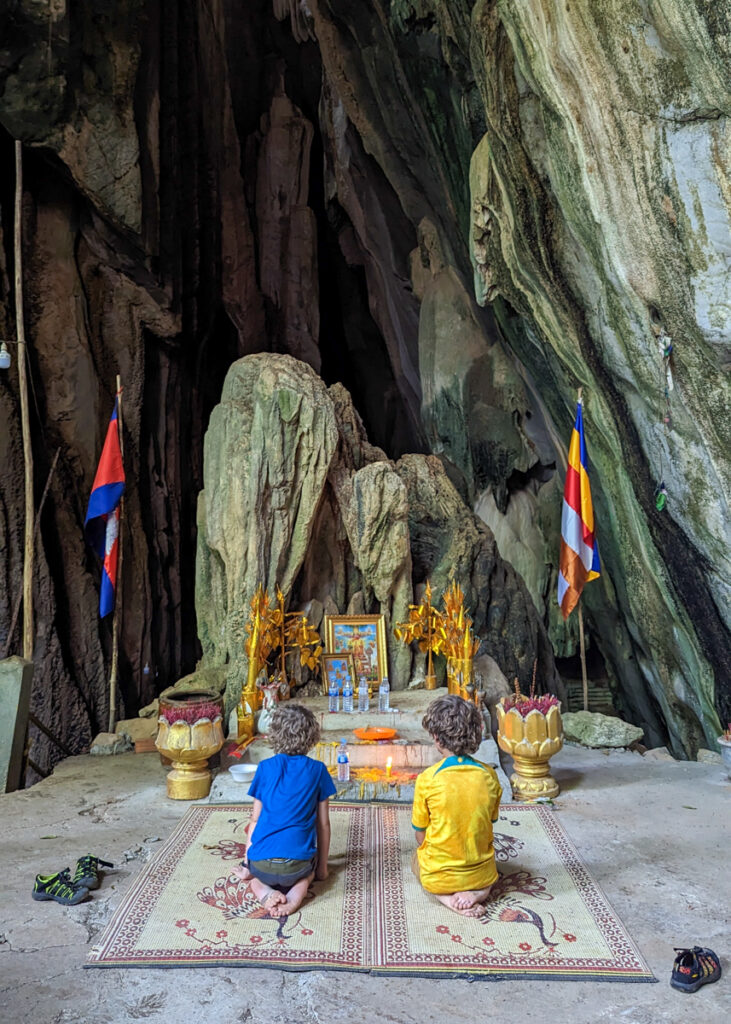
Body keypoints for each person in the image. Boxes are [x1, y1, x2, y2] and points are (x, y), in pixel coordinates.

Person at [232, 703, 335, 917]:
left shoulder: (264, 767)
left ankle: (265, 892)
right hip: (297, 866)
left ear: (274, 734)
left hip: (261, 865)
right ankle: (296, 894)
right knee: (307, 874)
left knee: (256, 881)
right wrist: (322, 870)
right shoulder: (318, 770)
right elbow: (323, 824)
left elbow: (254, 820)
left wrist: (247, 865)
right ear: (312, 737)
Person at [411, 694, 502, 917]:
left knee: (416, 862)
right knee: (492, 874)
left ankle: (448, 899)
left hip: (440, 876)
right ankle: (479, 893)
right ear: (476, 733)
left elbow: (420, 835)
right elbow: (490, 821)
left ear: (437, 738)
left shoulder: (427, 779)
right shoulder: (489, 776)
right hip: (481, 874)